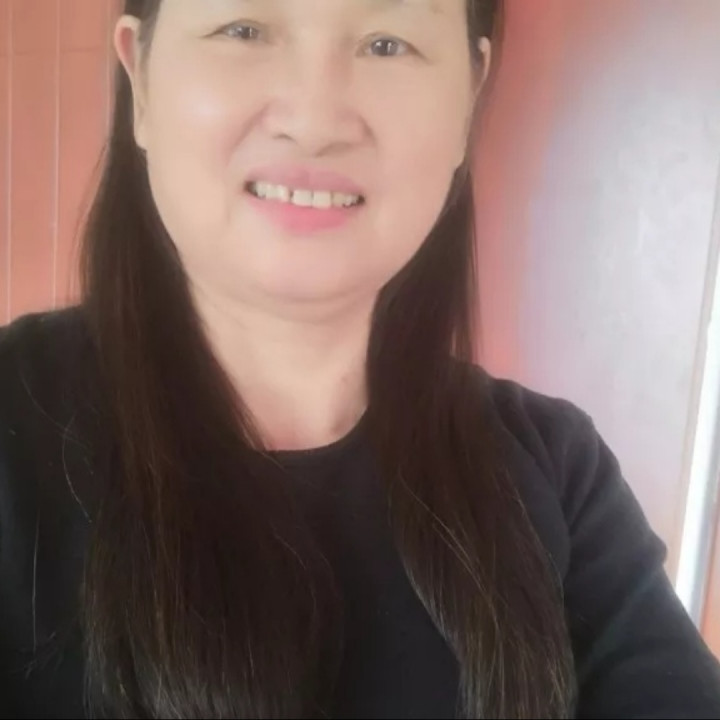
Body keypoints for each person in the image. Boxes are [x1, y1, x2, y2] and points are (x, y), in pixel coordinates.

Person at [1, 0, 719, 717]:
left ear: (468, 97)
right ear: (142, 81)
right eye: (244, 29)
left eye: (387, 43)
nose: (315, 120)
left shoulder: (557, 474)